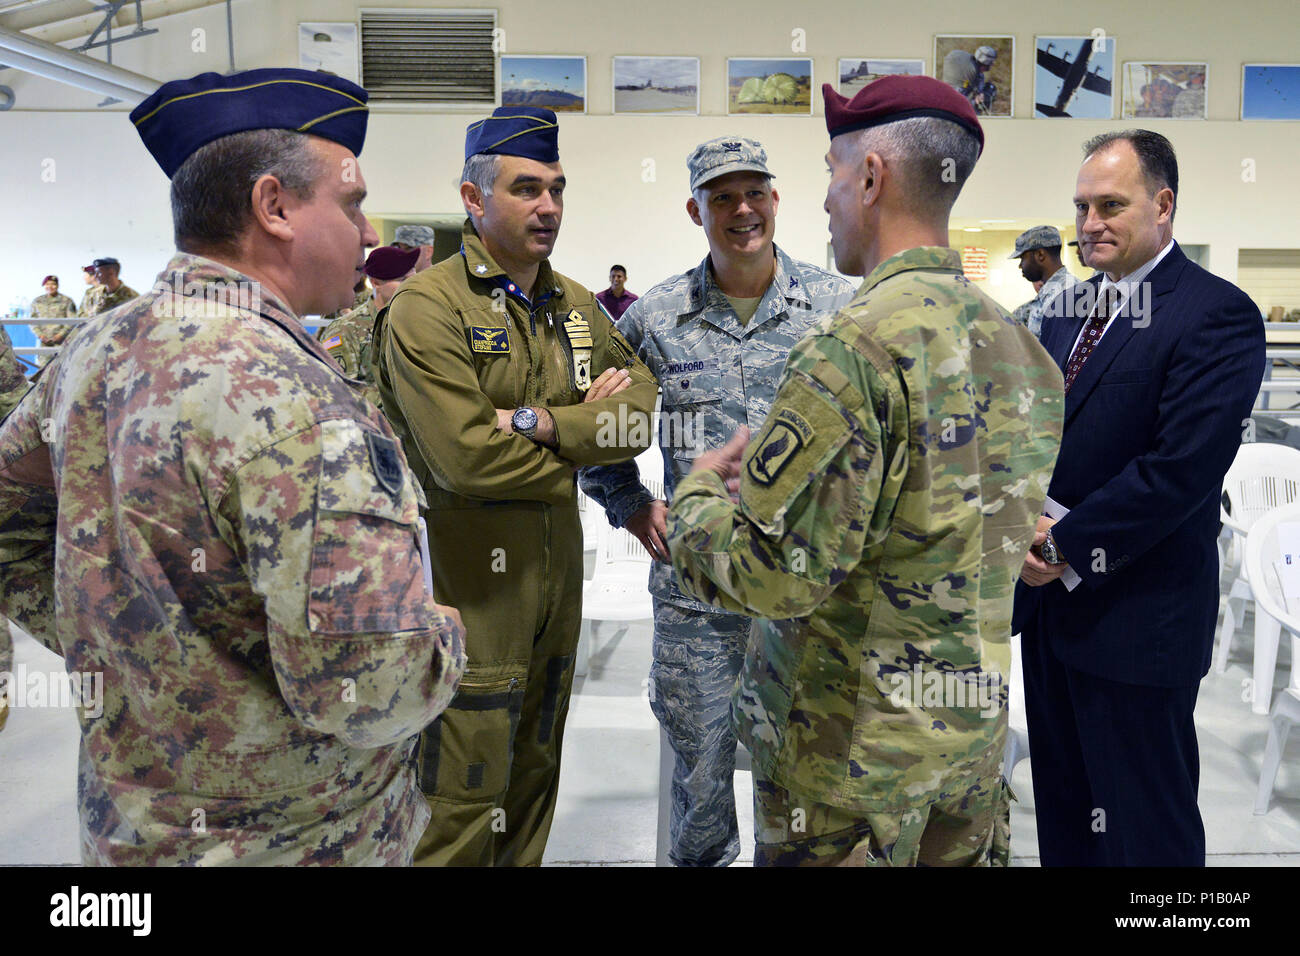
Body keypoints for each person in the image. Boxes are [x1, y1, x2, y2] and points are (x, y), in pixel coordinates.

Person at [0, 67, 467, 866]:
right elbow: (368, 692)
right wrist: (444, 639)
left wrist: (118, 643)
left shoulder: (95, 349)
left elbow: (9, 514)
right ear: (274, 207)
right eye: (352, 205)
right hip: (296, 840)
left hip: (128, 833)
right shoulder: (300, 400)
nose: (366, 233)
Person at [664, 75, 1064, 866]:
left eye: (831, 175)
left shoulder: (849, 350)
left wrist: (698, 495)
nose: (824, 202)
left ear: (872, 178)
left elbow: (775, 574)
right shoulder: (1025, 353)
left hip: (846, 770)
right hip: (967, 752)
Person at [376, 105, 658, 867]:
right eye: (526, 189)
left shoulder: (574, 304)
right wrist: (578, 432)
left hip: (556, 582)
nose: (549, 207)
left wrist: (534, 421)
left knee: (534, 779)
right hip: (471, 594)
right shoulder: (427, 307)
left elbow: (637, 418)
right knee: (461, 800)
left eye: (557, 189)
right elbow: (466, 458)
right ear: (473, 199)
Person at [579, 136, 853, 867]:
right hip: (698, 598)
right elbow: (597, 428)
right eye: (721, 197)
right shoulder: (655, 317)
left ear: (774, 199)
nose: (741, 210)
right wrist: (632, 506)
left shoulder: (836, 308)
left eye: (753, 192)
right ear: (694, 208)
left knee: (803, 781)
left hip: (809, 600)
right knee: (701, 783)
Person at [1013, 130, 1266, 867]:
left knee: (1144, 830)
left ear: (1163, 205)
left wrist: (1059, 546)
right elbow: (1035, 437)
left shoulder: (1214, 313)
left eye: (1110, 205)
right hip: (1052, 612)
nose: (1090, 223)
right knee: (1065, 815)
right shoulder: (1065, 314)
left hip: (1136, 620)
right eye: (1082, 206)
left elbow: (1178, 472)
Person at [319, 244, 417, 405]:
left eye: (414, 278)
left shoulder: (418, 322)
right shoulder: (346, 329)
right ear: (376, 283)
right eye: (403, 280)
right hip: (373, 423)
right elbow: (337, 389)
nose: (412, 286)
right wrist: (402, 401)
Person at [1009, 225, 1077, 339]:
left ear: (1040, 255)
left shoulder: (1062, 293)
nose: (1020, 265)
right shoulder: (1055, 289)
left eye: (1022, 258)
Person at [30, 275, 77, 368]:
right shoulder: (37, 301)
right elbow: (32, 321)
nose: (50, 287)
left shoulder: (67, 301)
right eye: (47, 284)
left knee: (62, 368)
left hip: (62, 341)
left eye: (53, 284)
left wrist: (61, 335)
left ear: (58, 286)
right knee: (42, 370)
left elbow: (72, 320)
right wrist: (40, 335)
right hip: (44, 342)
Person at [942, 44, 997, 113]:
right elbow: (969, 96)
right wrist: (980, 97)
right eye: (991, 62)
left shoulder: (971, 65)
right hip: (960, 103)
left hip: (950, 94)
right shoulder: (974, 73)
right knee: (990, 89)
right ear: (986, 63)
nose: (992, 64)